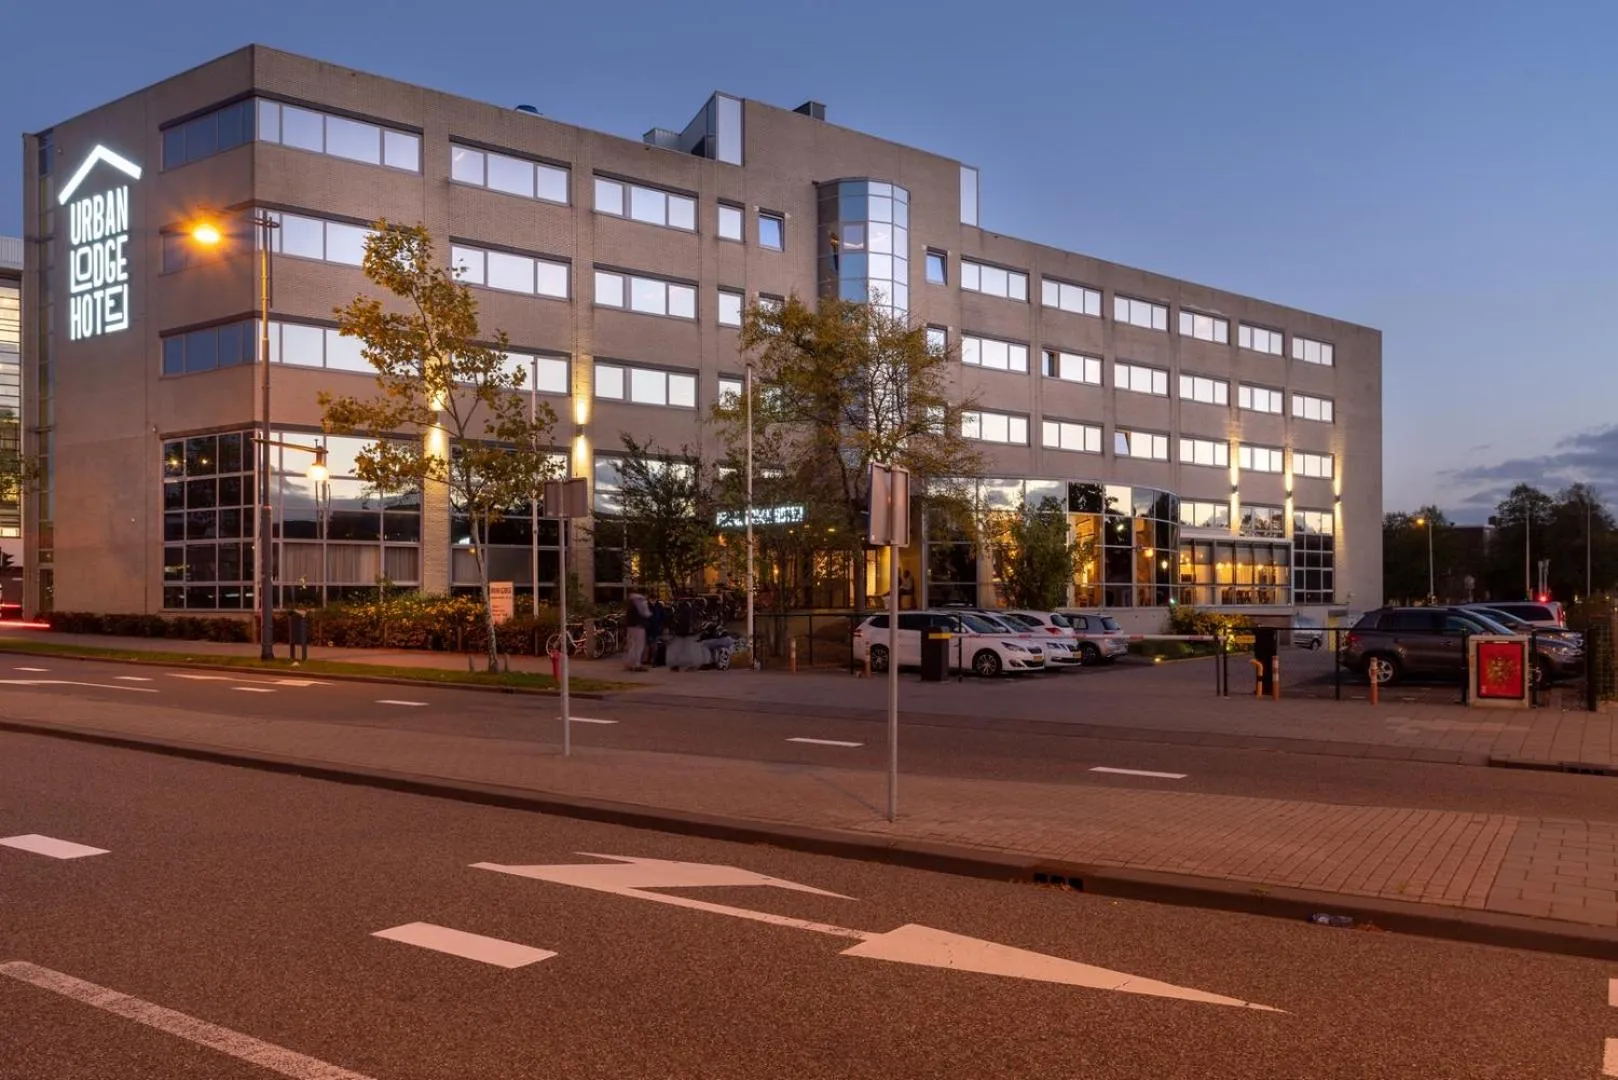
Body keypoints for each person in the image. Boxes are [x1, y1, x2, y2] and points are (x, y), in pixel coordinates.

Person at [623, 588, 650, 672]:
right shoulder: (640, 601)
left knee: (632, 645)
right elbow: (645, 613)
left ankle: (629, 663)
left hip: (630, 626)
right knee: (639, 646)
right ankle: (637, 664)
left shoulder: (630, 601)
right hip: (639, 626)